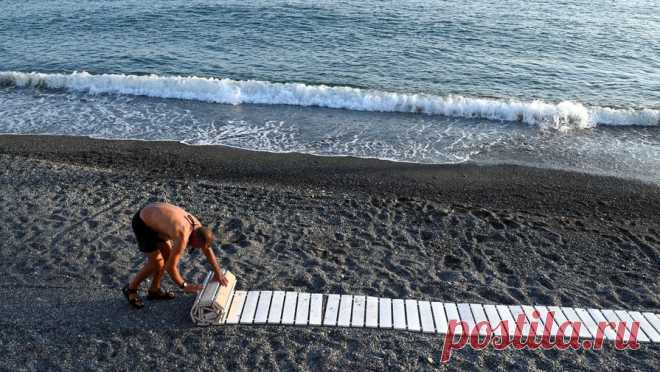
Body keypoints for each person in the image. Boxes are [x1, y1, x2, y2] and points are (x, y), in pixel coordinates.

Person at [122, 202, 229, 308]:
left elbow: (207, 249)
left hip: (156, 218)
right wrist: (184, 285)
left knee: (167, 257)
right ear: (196, 239)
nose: (197, 248)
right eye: (197, 246)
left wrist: (218, 272)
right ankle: (131, 289)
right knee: (157, 263)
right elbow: (171, 267)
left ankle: (154, 290)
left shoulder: (198, 228)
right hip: (143, 223)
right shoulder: (182, 235)